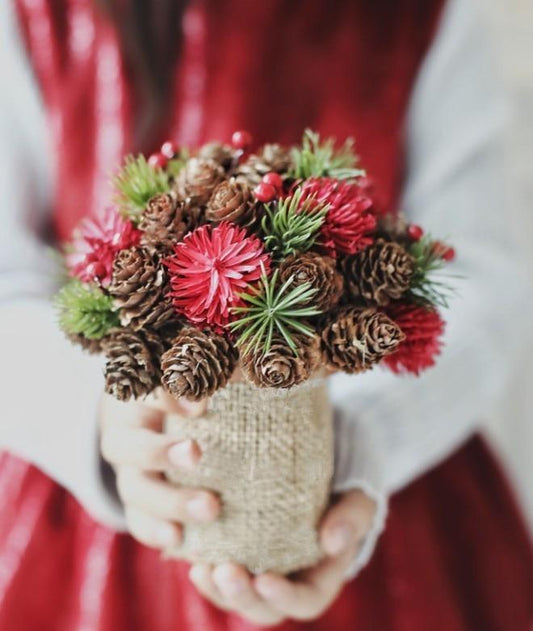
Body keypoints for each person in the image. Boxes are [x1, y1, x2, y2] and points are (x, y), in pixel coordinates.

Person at [1, 0, 533, 629]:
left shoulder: (417, 17)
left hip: (382, 497)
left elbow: (477, 276)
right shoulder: (41, 18)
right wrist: (101, 421)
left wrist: (364, 438)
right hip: (94, 511)